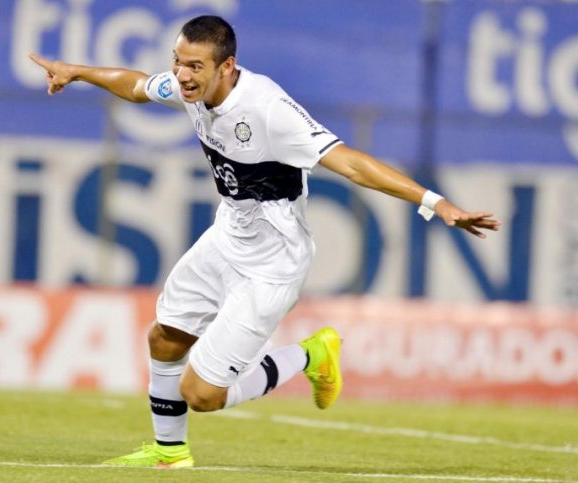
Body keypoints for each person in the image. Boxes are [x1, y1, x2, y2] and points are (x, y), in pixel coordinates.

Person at [29, 15, 500, 468]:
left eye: (194, 66)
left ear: (226, 67)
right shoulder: (189, 87)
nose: (181, 75)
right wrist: (77, 72)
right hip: (226, 238)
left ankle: (312, 354)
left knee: (202, 395)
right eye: (177, 61)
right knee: (165, 337)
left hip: (273, 261)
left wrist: (435, 203)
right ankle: (169, 454)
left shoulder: (268, 110)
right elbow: (134, 87)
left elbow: (351, 163)